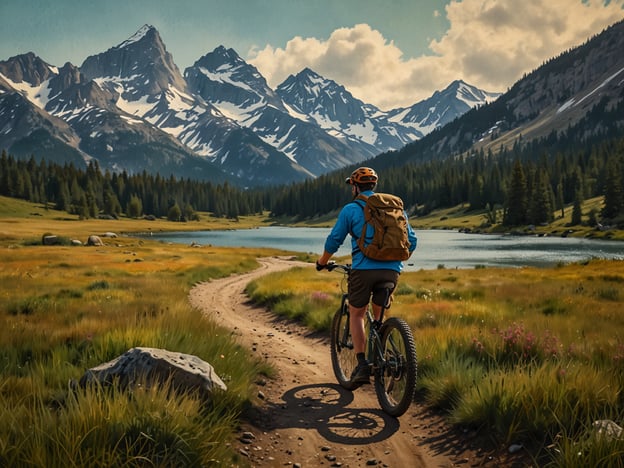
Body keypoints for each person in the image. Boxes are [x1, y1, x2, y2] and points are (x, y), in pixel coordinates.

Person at [316, 167, 417, 384]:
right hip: (392, 271)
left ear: (354, 187)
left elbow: (334, 239)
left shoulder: (351, 209)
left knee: (357, 314)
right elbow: (412, 241)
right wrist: (394, 260)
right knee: (379, 317)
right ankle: (383, 355)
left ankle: (362, 365)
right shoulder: (395, 209)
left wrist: (322, 262)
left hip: (363, 271)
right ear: (374, 186)